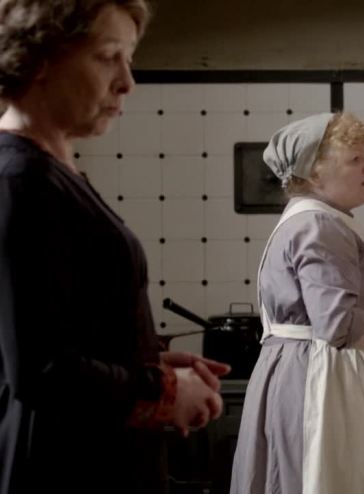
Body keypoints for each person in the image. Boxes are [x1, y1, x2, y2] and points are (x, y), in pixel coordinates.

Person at [0, 2, 229, 493]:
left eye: (129, 59)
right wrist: (163, 391)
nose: (127, 82)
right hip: (64, 470)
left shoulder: (50, 174)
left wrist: (147, 362)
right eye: (108, 57)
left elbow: (70, 330)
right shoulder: (21, 181)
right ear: (38, 59)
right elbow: (41, 369)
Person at [230, 112, 364, 494]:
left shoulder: (318, 219)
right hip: (320, 381)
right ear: (314, 173)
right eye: (356, 159)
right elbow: (338, 324)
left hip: (320, 371)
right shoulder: (318, 225)